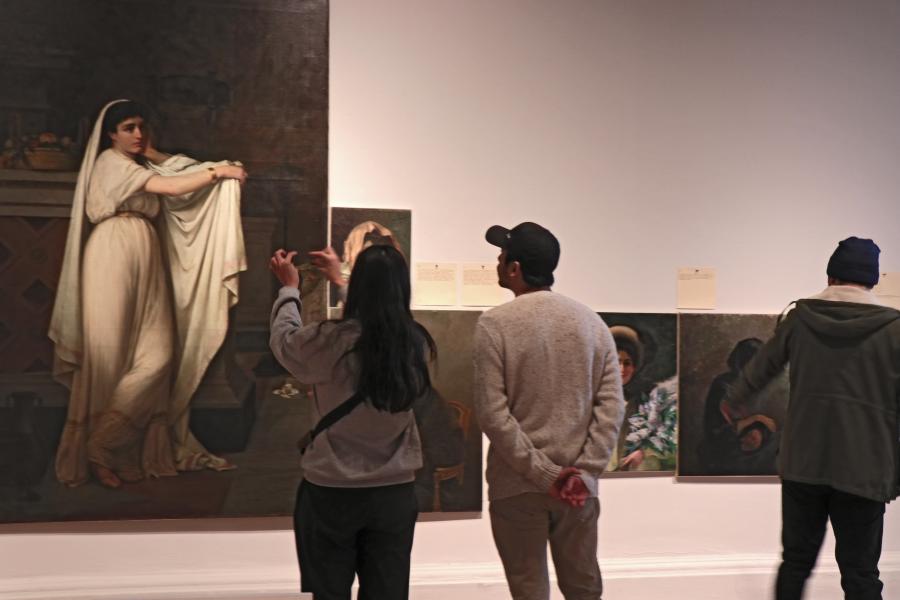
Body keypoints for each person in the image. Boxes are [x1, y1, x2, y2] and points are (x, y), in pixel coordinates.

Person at [48, 100, 248, 488]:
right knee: (111, 355)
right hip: (112, 253)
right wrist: (219, 171)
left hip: (145, 253)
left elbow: (174, 169)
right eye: (128, 127)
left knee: (158, 356)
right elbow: (172, 186)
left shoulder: (138, 162)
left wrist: (154, 152)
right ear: (109, 133)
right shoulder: (110, 162)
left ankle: (110, 444)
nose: (138, 134)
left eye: (141, 126)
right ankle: (106, 453)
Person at [722, 236, 900, 600]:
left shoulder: (800, 318)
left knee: (796, 563)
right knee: (861, 573)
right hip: (864, 468)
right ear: (872, 281)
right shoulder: (894, 328)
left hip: (804, 463)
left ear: (831, 276)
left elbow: (761, 367)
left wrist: (734, 400)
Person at [269, 243, 435, 599]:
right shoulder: (415, 343)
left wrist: (289, 288)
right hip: (394, 493)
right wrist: (339, 279)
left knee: (330, 593)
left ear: (357, 285)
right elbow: (377, 322)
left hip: (331, 491)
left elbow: (285, 343)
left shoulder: (331, 340)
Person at [473, 222, 625, 600]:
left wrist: (544, 473)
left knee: (529, 590)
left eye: (502, 254)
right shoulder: (592, 324)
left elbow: (493, 414)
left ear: (514, 269)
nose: (497, 259)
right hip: (578, 492)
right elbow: (611, 409)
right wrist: (583, 473)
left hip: (517, 486)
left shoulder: (494, 325)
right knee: (584, 588)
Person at [607, 325, 677, 472]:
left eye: (627, 363)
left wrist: (644, 452)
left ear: (635, 367)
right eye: (617, 361)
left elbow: (670, 439)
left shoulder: (648, 401)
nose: (622, 369)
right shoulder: (594, 400)